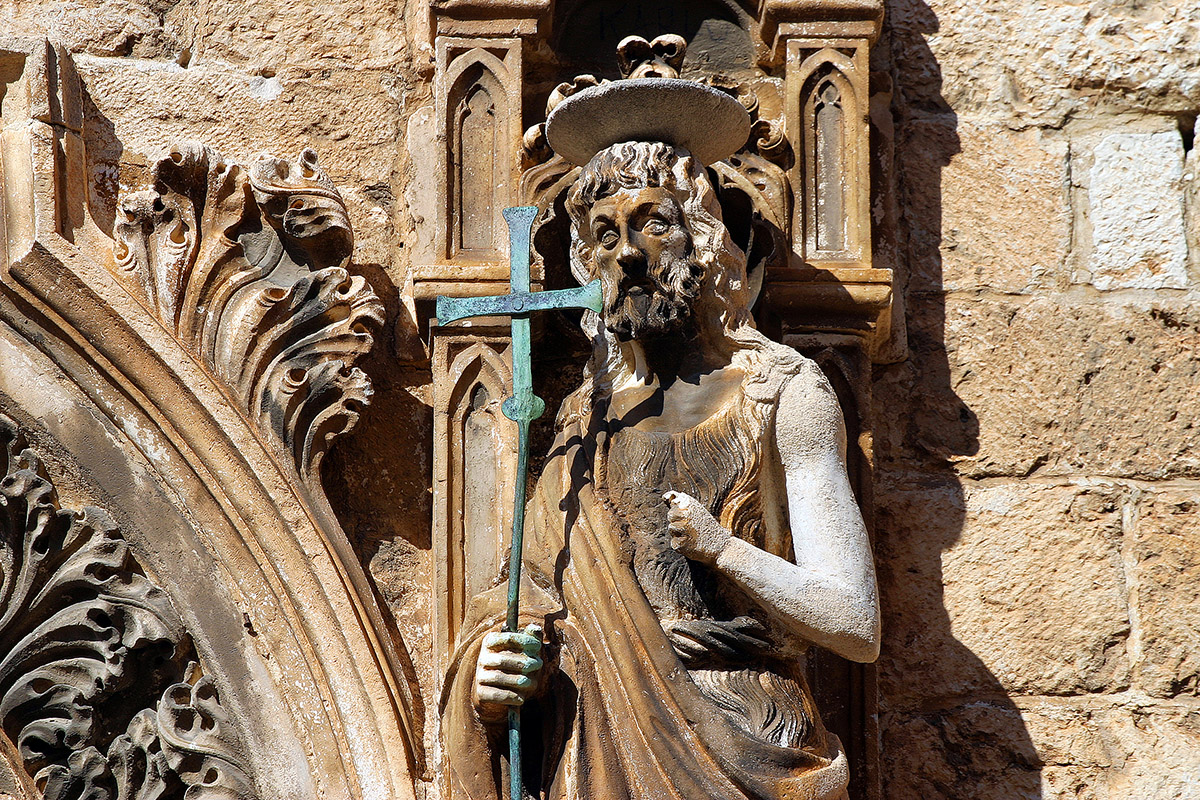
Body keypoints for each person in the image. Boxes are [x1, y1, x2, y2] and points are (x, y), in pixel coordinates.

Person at [441, 140, 879, 800]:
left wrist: (726, 549)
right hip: (603, 744)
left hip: (753, 742)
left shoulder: (783, 391)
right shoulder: (584, 421)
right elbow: (527, 595)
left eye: (652, 223)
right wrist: (494, 674)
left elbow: (855, 620)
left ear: (700, 240)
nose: (627, 254)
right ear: (587, 263)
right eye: (604, 234)